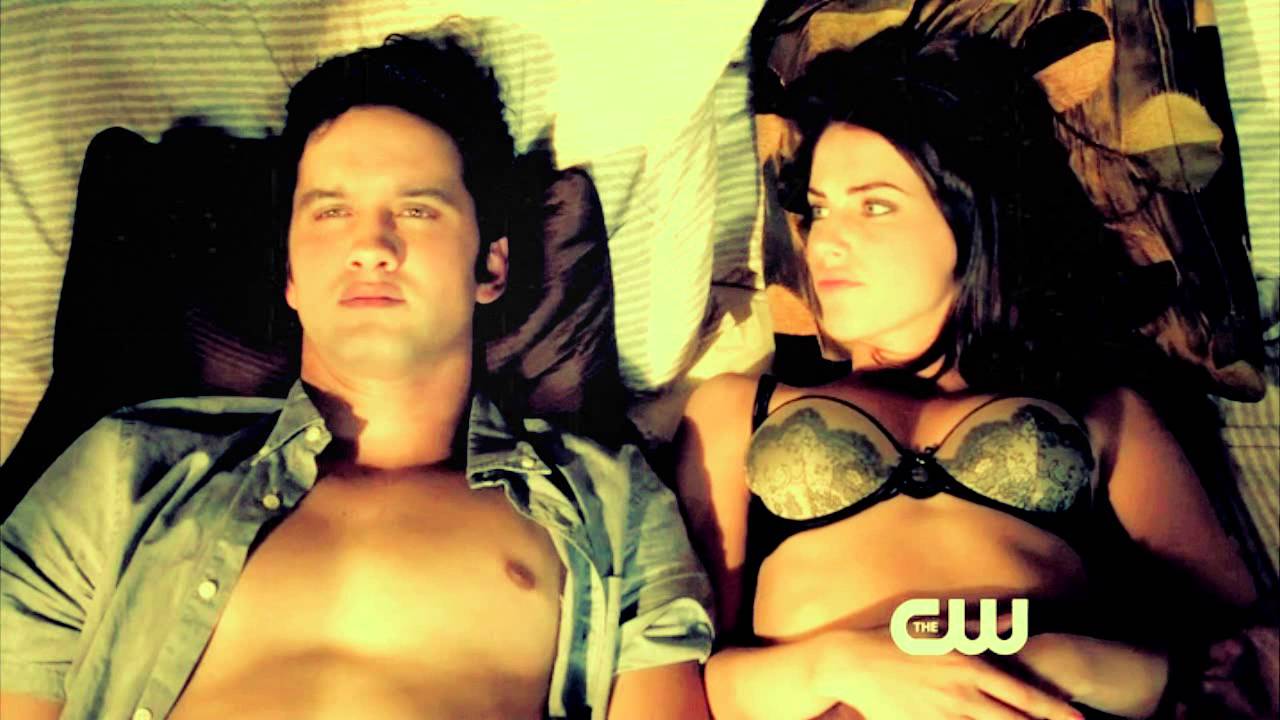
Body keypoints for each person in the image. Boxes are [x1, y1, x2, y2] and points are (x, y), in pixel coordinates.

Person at [0, 32, 713, 720]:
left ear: (490, 267)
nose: (371, 246)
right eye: (332, 211)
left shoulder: (609, 501)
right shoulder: (123, 471)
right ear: (289, 272)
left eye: (417, 209)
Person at [676, 29, 1258, 720]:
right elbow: (676, 677)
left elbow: (1245, 661)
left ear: (972, 218)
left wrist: (1067, 662)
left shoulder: (1105, 409)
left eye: (874, 204)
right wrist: (843, 666)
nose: (825, 239)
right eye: (820, 207)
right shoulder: (736, 409)